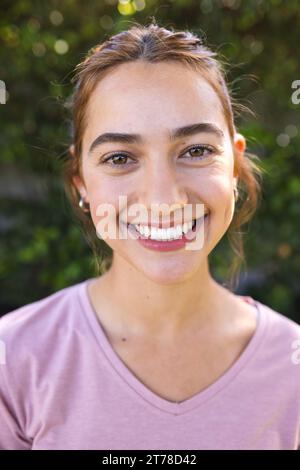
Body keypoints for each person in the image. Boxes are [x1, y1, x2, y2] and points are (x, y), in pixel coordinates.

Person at [0, 21, 299, 451]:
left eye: (196, 150)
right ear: (82, 181)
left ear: (233, 165)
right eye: (120, 157)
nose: (163, 198)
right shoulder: (15, 358)